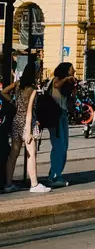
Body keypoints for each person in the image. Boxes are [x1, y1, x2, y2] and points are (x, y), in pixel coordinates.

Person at [1, 62, 49, 193]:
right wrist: (28, 131)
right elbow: (29, 111)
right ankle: (34, 184)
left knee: (13, 155)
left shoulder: (18, 84)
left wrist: (13, 102)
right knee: (31, 154)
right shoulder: (32, 89)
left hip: (16, 120)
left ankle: (8, 184)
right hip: (28, 122)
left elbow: (4, 91)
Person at [48, 62, 76, 188]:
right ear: (65, 70)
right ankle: (54, 176)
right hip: (55, 116)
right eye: (71, 69)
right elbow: (56, 85)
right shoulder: (57, 80)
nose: (74, 70)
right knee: (58, 146)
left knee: (64, 146)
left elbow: (69, 106)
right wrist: (66, 79)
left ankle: (56, 173)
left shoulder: (67, 85)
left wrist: (74, 95)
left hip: (63, 115)